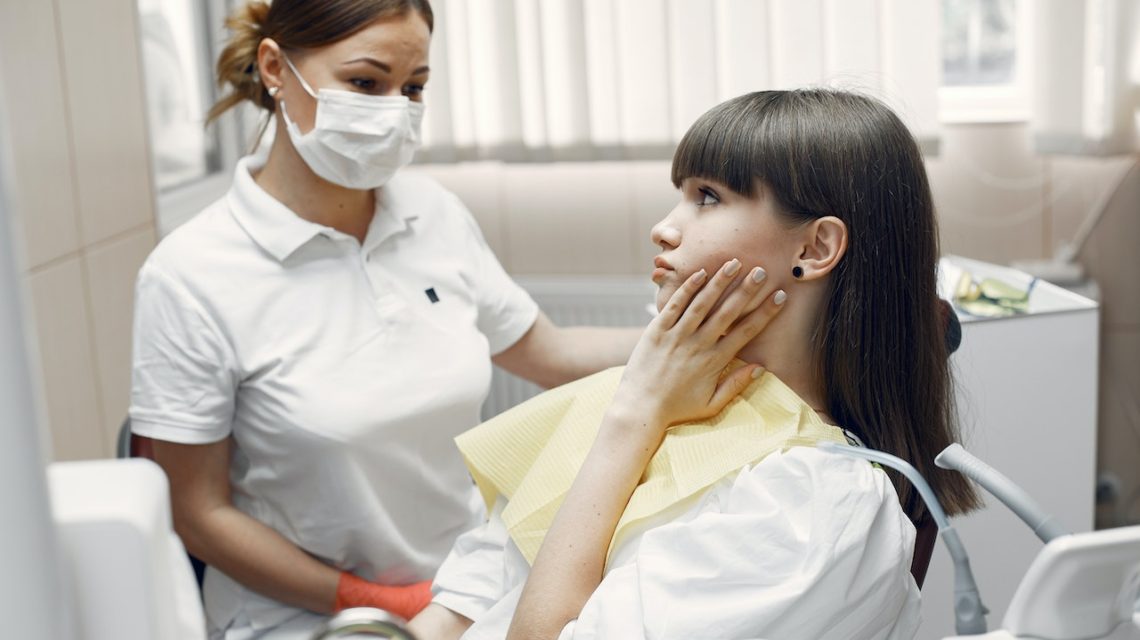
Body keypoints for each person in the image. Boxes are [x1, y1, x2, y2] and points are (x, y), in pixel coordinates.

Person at [127, 1, 641, 638]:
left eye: (414, 87)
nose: (394, 109)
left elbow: (549, 352)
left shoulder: (433, 214)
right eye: (366, 83)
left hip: (458, 591)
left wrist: (688, 335)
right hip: (305, 618)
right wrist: (380, 602)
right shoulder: (190, 275)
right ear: (274, 69)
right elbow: (197, 513)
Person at [408, 89, 981, 640]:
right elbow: (469, 599)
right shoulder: (646, 393)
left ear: (814, 249)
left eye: (708, 197)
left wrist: (633, 418)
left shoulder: (812, 502)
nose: (665, 227)